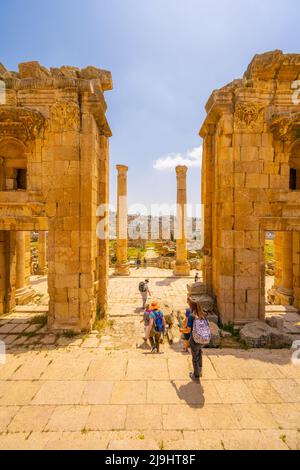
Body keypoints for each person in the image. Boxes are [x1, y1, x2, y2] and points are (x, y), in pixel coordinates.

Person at [185, 301, 210, 383]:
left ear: (191, 307)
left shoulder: (191, 316)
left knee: (194, 357)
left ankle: (196, 374)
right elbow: (207, 325)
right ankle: (200, 369)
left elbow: (188, 330)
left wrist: (182, 330)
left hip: (195, 340)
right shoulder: (203, 315)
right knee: (200, 353)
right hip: (204, 339)